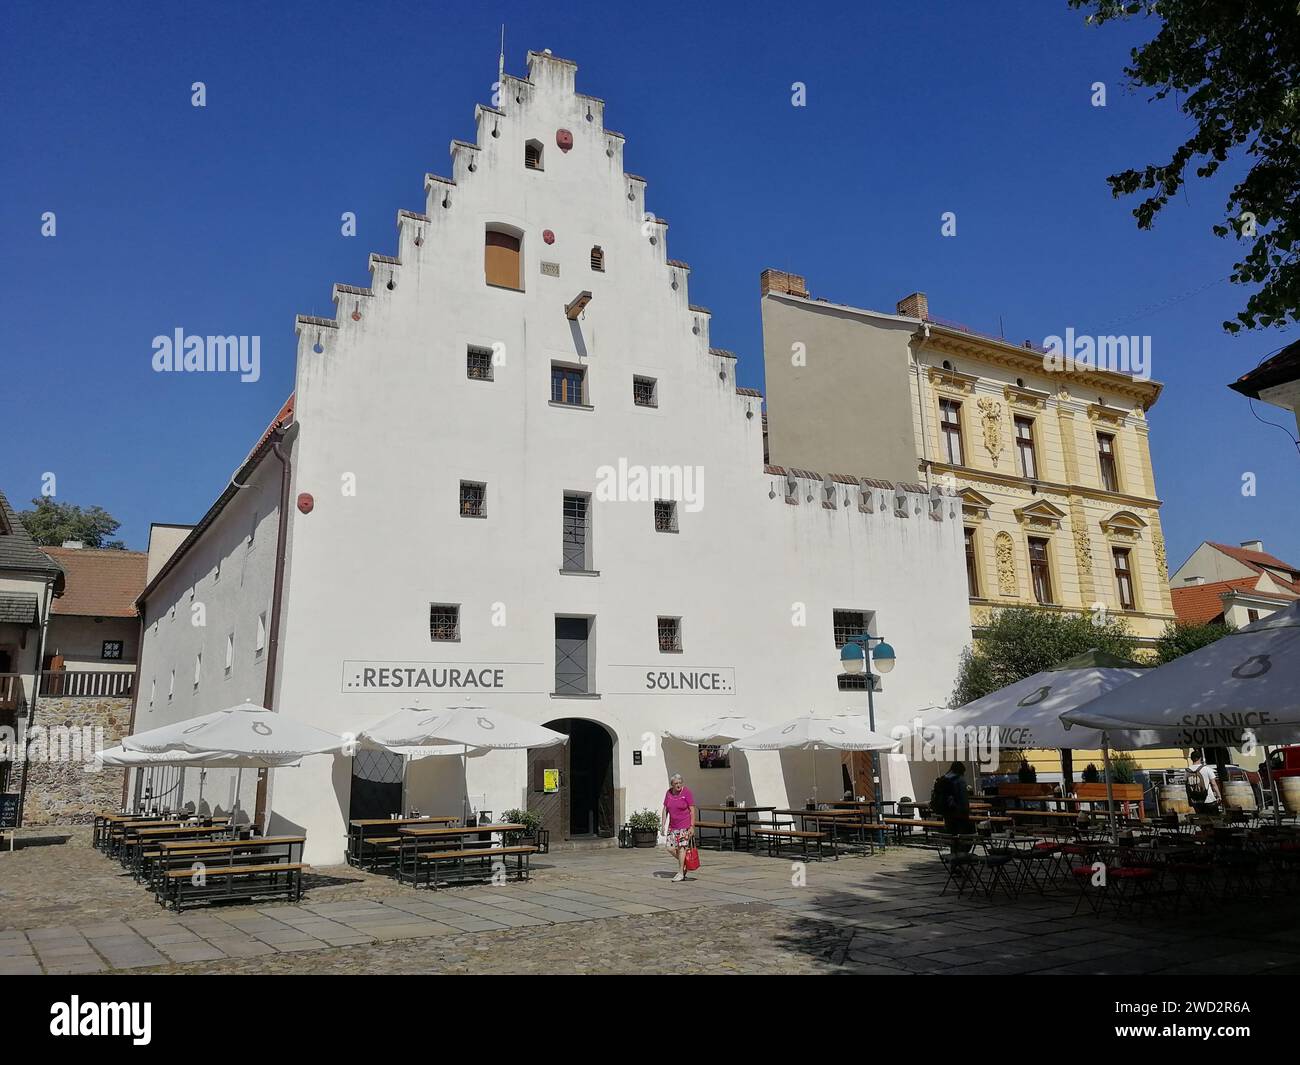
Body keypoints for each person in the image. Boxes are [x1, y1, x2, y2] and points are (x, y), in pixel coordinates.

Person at [661, 773, 696, 882]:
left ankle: (681, 872)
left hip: (684, 826)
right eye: (676, 783)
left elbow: (692, 810)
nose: (678, 785)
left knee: (682, 848)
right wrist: (663, 825)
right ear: (672, 784)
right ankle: (685, 862)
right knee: (670, 848)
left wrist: (692, 826)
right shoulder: (668, 793)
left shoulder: (686, 792)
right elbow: (665, 809)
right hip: (673, 826)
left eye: (680, 783)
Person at [932, 761, 973, 850]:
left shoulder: (944, 778)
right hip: (959, 812)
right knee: (962, 836)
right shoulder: (959, 779)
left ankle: (953, 857)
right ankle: (962, 857)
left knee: (952, 836)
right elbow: (963, 798)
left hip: (947, 812)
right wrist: (966, 810)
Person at [1186, 750, 1222, 815]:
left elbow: (1187, 787)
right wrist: (1219, 796)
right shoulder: (1207, 769)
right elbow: (1214, 784)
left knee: (1202, 821)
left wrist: (1189, 800)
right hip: (1209, 799)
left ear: (1191, 759)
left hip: (1196, 801)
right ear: (1200, 758)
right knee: (1216, 820)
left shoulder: (1187, 771)